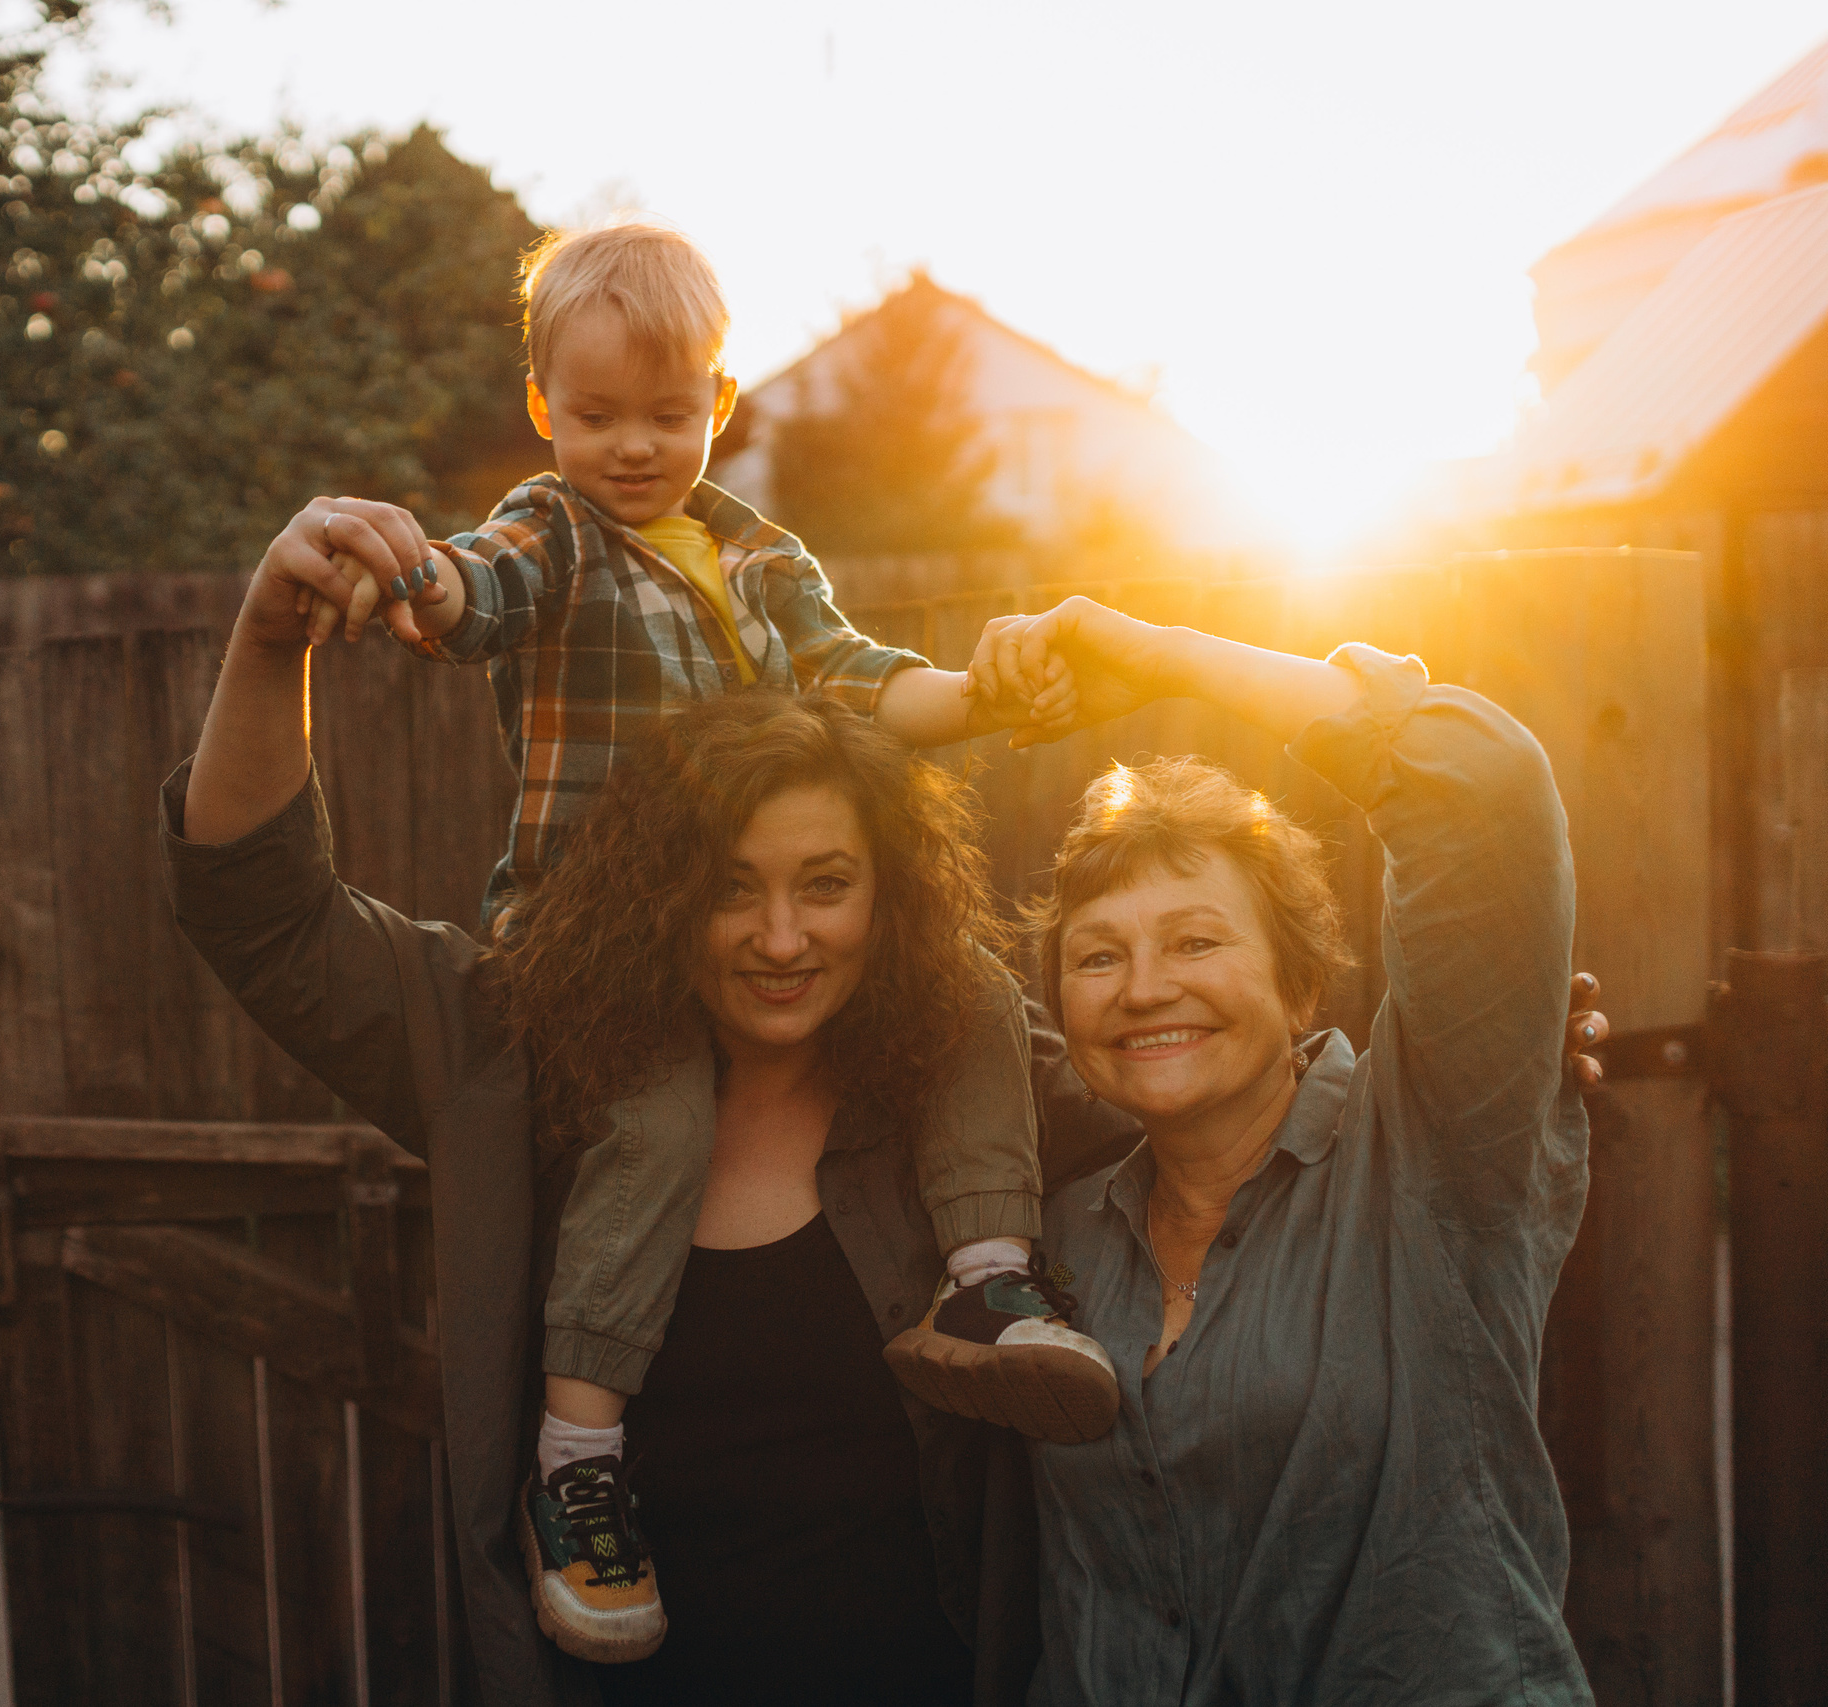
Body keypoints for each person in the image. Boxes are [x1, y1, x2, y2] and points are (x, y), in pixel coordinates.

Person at [273, 217, 1117, 1661]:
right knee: (659, 1122)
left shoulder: (756, 554)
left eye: (670, 415)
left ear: (721, 406)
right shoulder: (555, 529)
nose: (634, 447)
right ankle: (580, 1452)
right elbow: (479, 595)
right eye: (596, 415)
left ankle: (986, 1278)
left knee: (976, 981)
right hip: (599, 947)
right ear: (546, 407)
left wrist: (990, 691)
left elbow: (862, 681)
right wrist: (412, 575)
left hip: (743, 913)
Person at [170, 514, 1104, 1703]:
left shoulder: (970, 1079)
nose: (781, 938)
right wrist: (266, 642)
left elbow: (1215, 1104)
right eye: (728, 891)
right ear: (654, 897)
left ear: (890, 894)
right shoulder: (518, 1063)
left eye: (825, 886)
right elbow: (262, 916)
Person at [968, 595, 1607, 1703]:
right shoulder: (1057, 1237)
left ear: (1299, 981)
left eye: (1197, 941)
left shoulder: (1433, 1155)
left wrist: (1161, 654)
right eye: (1097, 957)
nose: (1144, 987)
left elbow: (1481, 788)